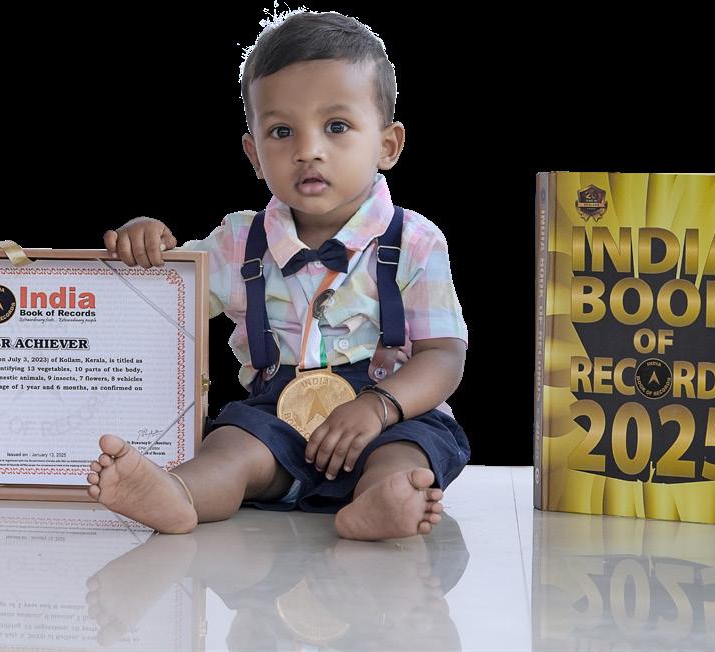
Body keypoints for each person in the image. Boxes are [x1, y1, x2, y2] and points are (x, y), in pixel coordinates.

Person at [88, 9, 471, 541]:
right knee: (231, 445)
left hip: (389, 413)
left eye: (336, 126)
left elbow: (443, 355)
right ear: (254, 153)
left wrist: (379, 407)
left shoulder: (415, 241)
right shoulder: (237, 242)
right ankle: (180, 495)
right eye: (282, 131)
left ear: (388, 145)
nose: (308, 150)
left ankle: (381, 500)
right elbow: (161, 304)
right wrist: (145, 243)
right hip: (276, 420)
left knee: (409, 452)